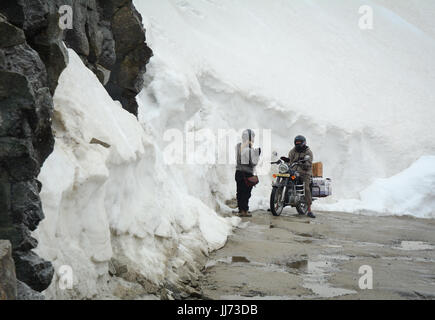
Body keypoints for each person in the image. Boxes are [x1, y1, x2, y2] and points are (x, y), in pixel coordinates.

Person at [288, 135, 316, 219]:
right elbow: (290, 160)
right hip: (294, 171)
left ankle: (310, 210)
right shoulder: (293, 151)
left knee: (306, 188)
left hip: (305, 172)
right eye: (296, 142)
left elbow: (308, 164)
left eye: (299, 142)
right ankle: (277, 203)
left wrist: (303, 163)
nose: (298, 144)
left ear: (304, 143)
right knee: (285, 180)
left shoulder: (308, 152)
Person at [235, 129, 261, 217]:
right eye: (252, 137)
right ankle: (244, 211)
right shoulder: (248, 150)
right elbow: (253, 162)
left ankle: (240, 209)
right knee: (246, 193)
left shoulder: (238, 146)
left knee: (239, 192)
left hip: (238, 172)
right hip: (246, 174)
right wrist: (257, 154)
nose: (253, 139)